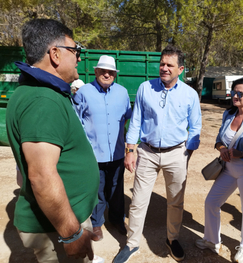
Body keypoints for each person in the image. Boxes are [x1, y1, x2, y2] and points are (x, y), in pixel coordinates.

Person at [6, 19, 104, 263]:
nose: (79, 58)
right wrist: (71, 235)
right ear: (55, 54)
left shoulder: (40, 92)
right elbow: (41, 176)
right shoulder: (43, 100)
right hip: (55, 230)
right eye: (75, 50)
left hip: (58, 223)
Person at [113, 45, 202, 263]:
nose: (164, 68)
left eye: (170, 65)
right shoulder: (145, 88)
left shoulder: (190, 94)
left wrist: (187, 152)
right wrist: (130, 150)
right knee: (138, 201)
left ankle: (172, 239)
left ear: (180, 69)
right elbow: (135, 121)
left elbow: (196, 126)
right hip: (147, 152)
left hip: (176, 154)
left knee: (175, 202)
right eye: (162, 64)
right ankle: (132, 244)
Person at [195, 78, 243, 263]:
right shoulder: (229, 114)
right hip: (228, 169)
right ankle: (213, 241)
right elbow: (219, 140)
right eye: (233, 92)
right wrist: (222, 149)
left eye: (240, 93)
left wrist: (241, 153)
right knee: (211, 202)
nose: (234, 96)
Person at [74, 55, 132, 239]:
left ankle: (116, 219)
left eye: (111, 72)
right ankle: (97, 223)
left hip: (116, 153)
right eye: (103, 71)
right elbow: (77, 122)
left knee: (116, 188)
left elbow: (129, 119)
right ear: (96, 71)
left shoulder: (123, 93)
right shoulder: (83, 92)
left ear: (115, 74)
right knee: (97, 189)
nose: (107, 74)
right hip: (93, 154)